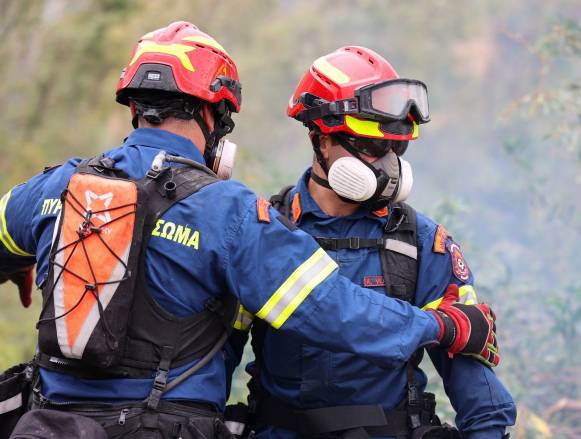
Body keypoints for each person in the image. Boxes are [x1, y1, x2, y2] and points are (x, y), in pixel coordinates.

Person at [0, 24, 499, 439]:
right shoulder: (231, 214)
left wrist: (18, 261)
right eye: (365, 145)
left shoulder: (56, 186)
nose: (386, 163)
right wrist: (442, 325)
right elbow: (332, 311)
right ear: (213, 112)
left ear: (135, 106)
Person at [241, 47, 516, 439]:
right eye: (371, 147)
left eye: (395, 148)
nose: (386, 165)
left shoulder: (422, 243)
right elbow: (211, 360)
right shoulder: (265, 232)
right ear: (320, 139)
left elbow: (483, 402)